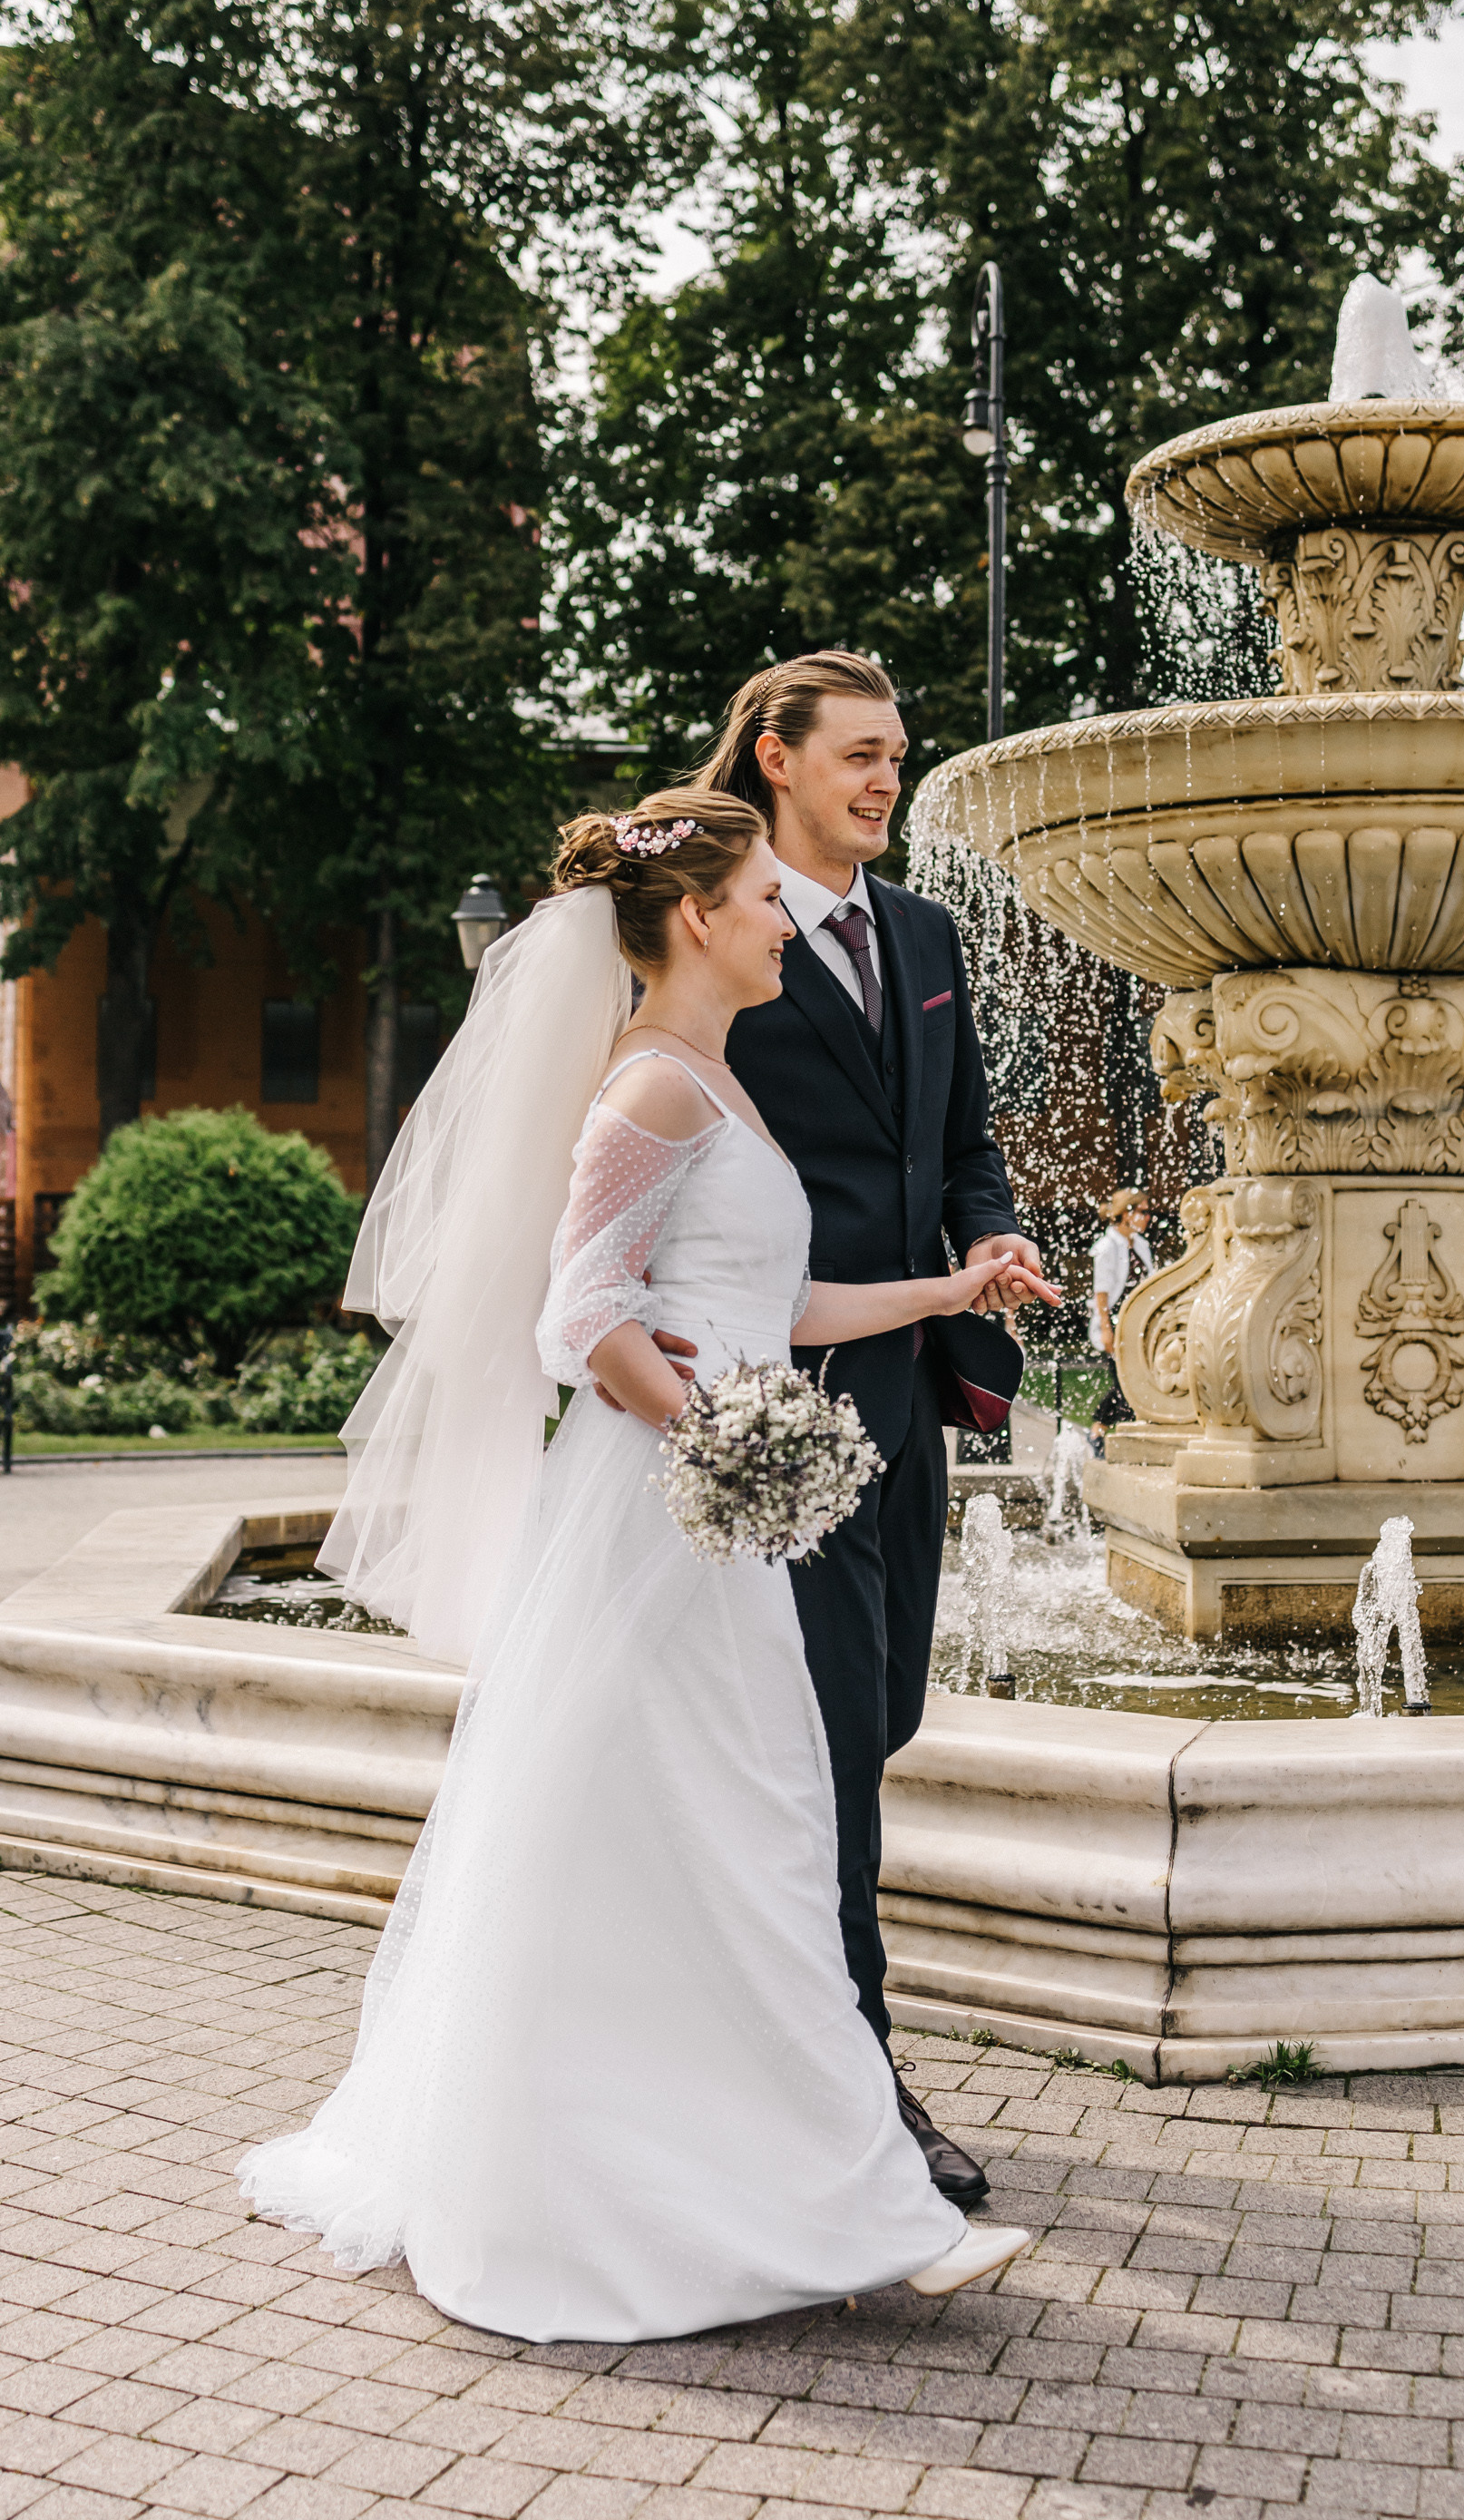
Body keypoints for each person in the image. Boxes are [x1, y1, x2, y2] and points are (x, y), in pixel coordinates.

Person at [239, 791, 1059, 2341]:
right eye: (758, 896)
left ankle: (803, 2187)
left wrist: (951, 1283)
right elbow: (580, 1315)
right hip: (664, 1517)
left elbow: (774, 1299)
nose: (779, 921)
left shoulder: (714, 1079)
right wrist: (720, 1436)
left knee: (732, 1831)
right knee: (707, 1827)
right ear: (694, 917)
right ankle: (803, 2201)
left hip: (713, 1514)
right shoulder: (653, 1093)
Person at [688, 652, 1041, 2208]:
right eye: (859, 756)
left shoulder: (923, 932)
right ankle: (860, 2092)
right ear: (774, 756)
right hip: (775, 1414)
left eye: (898, 758)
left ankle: (760, 2037)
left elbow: (961, 1146)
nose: (886, 781)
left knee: (877, 1719)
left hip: (908, 1397)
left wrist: (992, 1245)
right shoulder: (711, 921)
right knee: (827, 1749)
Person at [1090, 1187, 1153, 1428]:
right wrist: (1106, 1329)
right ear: (1127, 1214)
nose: (1148, 1217)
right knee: (1125, 1384)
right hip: (1116, 1321)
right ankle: (1099, 1430)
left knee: (1133, 1383)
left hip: (1137, 1323)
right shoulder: (1107, 1246)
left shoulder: (1141, 1244)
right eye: (1143, 1212)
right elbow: (1101, 1293)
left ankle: (1100, 1430)